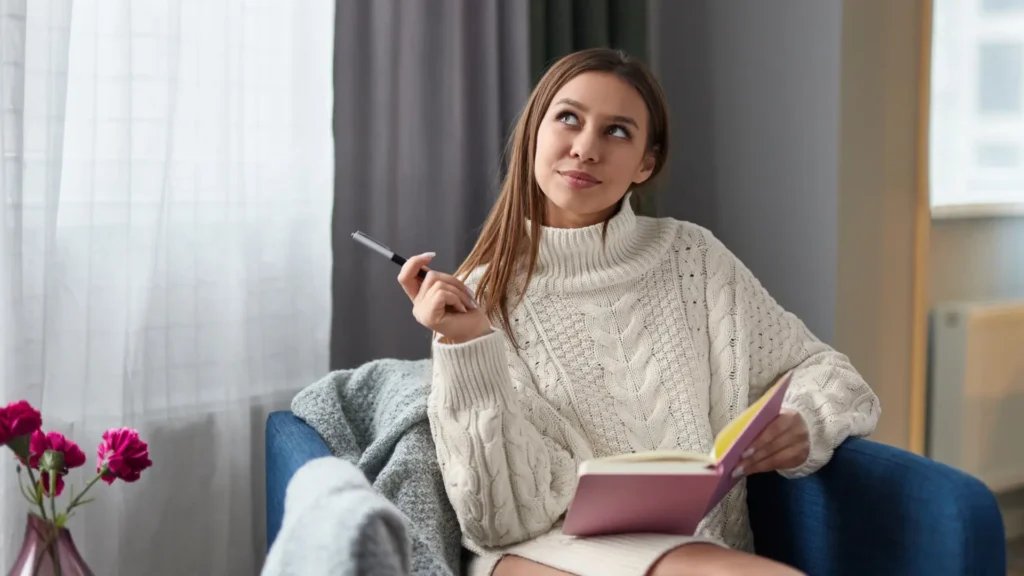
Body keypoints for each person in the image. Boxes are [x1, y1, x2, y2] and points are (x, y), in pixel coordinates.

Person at [396, 48, 880, 576]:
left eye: (617, 132)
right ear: (535, 129)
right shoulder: (477, 299)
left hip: (691, 547)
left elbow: (833, 374)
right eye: (569, 119)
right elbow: (499, 522)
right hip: (540, 551)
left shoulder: (693, 259)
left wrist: (806, 420)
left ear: (646, 163)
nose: (585, 149)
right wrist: (467, 344)